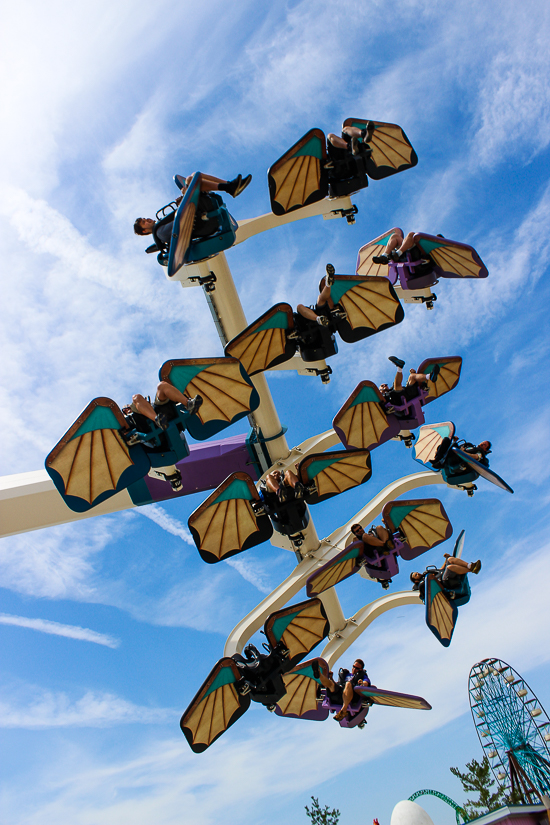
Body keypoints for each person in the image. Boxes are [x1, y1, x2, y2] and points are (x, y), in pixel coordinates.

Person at [133, 172, 252, 243]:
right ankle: (229, 187)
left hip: (201, 215)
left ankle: (230, 186)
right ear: (144, 231)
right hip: (203, 222)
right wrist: (184, 200)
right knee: (191, 180)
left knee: (194, 177)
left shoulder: (162, 225)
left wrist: (183, 200)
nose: (147, 219)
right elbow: (182, 222)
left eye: (145, 218)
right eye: (144, 222)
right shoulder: (160, 233)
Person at [125, 381, 202, 435]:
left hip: (162, 413)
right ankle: (157, 420)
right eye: (125, 410)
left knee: (162, 385)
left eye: (127, 407)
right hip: (147, 426)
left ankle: (189, 404)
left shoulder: (148, 404)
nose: (126, 409)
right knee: (136, 397)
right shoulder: (130, 419)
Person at [411, 553, 481, 601]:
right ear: (416, 581)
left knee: (450, 559)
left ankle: (470, 566)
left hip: (443, 575)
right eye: (416, 575)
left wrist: (446, 559)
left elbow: (440, 570)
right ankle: (472, 570)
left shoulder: (427, 573)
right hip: (444, 582)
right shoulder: (423, 584)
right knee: (450, 567)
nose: (417, 573)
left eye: (416, 572)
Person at [372, 229, 438, 278]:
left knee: (412, 234)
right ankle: (384, 256)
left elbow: (431, 262)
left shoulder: (436, 254)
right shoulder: (428, 245)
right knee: (395, 236)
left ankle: (397, 254)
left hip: (416, 261)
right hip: (407, 254)